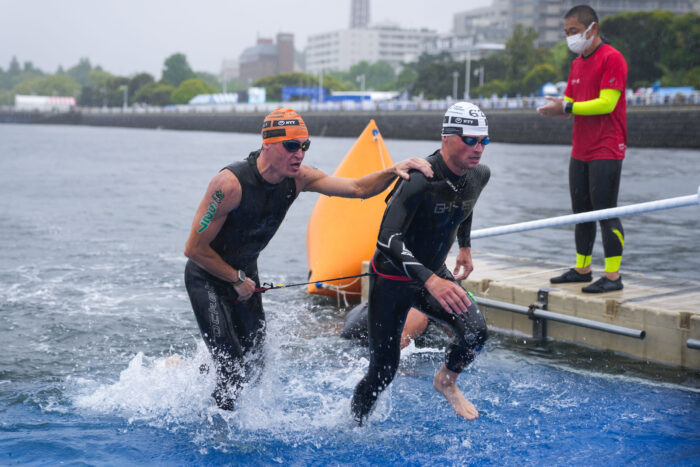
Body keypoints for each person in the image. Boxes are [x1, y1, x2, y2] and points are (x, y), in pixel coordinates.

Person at [183, 108, 433, 410]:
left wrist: (394, 169)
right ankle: (216, 432)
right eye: (291, 146)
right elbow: (194, 248)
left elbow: (357, 188)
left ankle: (205, 384)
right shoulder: (229, 185)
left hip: (245, 276)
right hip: (208, 276)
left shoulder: (299, 179)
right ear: (268, 143)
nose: (299, 153)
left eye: (305, 146)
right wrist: (235, 279)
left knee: (256, 359)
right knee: (232, 365)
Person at [351, 102, 490, 425]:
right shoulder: (419, 178)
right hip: (391, 280)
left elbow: (465, 205)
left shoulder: (479, 175)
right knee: (383, 371)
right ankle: (353, 427)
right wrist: (431, 280)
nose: (479, 148)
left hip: (432, 274)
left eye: (484, 140)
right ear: (447, 138)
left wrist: (465, 247)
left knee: (475, 333)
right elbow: (386, 239)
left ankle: (446, 380)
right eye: (470, 139)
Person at [537, 4, 628, 293]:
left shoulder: (612, 59)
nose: (570, 38)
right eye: (566, 33)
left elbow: (606, 103)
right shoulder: (577, 63)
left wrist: (568, 106)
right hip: (581, 149)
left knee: (605, 210)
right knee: (581, 212)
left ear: (592, 29)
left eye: (574, 32)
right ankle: (582, 269)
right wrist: (556, 108)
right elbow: (570, 104)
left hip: (607, 147)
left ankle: (613, 276)